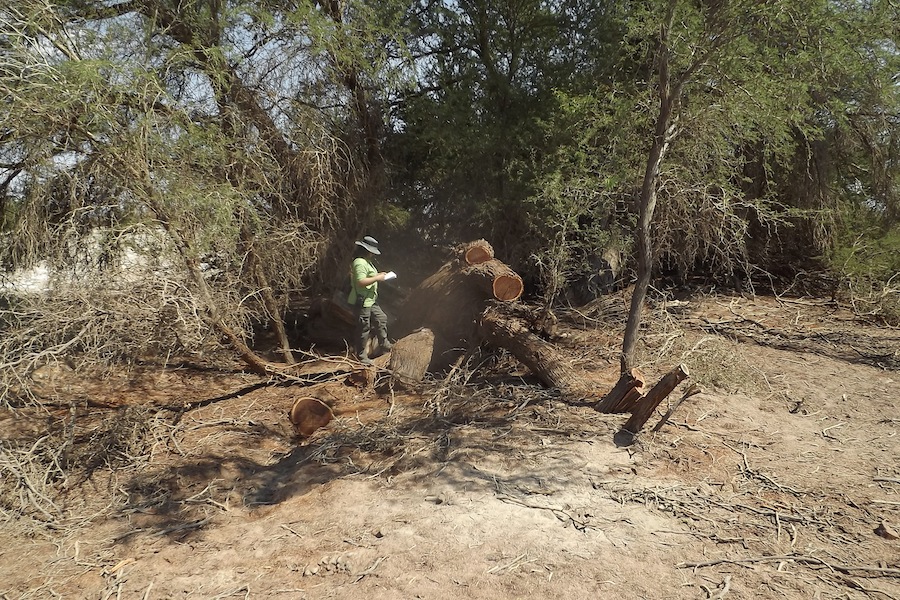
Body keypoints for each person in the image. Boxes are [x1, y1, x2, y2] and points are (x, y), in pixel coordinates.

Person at [348, 236, 392, 365]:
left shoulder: (367, 262)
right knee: (363, 328)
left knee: (381, 318)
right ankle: (361, 356)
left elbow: (370, 276)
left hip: (370, 300)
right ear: (367, 250)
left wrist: (380, 275)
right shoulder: (359, 262)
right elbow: (361, 282)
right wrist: (378, 278)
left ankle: (384, 343)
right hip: (362, 301)